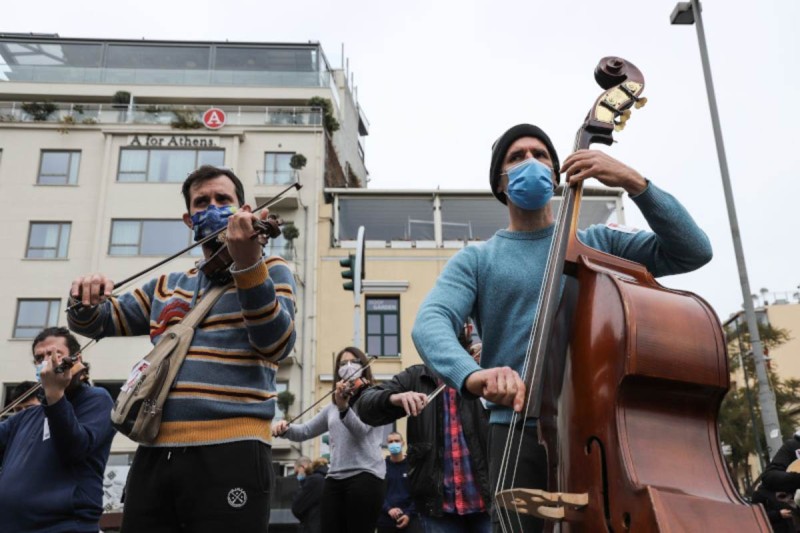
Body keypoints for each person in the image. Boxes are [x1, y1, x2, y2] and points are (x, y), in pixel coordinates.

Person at [411, 123, 714, 532]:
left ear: (557, 175)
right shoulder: (477, 260)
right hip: (516, 434)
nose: (531, 163)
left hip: (605, 437)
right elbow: (430, 322)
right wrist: (474, 376)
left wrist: (635, 182)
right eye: (516, 158)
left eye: (541, 155)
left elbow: (692, 250)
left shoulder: (598, 243)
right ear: (500, 182)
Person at [67, 165, 297, 533]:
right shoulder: (168, 285)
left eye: (224, 199)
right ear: (190, 220)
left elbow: (277, 344)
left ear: (244, 209)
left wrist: (249, 264)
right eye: (202, 202)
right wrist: (84, 295)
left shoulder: (271, 268)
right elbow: (96, 322)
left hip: (232, 446)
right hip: (155, 449)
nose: (213, 207)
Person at [357, 323, 491, 533]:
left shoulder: (482, 369)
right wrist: (394, 397)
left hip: (487, 503)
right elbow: (365, 406)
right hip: (438, 508)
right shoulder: (415, 377)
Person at [0, 327, 115, 532]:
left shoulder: (96, 399)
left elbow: (74, 448)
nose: (46, 361)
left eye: (55, 354)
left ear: (76, 358)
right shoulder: (26, 416)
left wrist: (55, 395)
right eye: (39, 357)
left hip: (63, 526)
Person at [272, 347, 386, 533]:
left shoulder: (372, 399)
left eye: (354, 361)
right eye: (342, 363)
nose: (348, 366)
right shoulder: (332, 406)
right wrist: (285, 429)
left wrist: (344, 409)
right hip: (335, 477)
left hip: (365, 475)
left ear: (364, 366)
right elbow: (305, 430)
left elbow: (361, 432)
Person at [377, 432, 419, 533]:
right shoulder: (381, 466)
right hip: (385, 520)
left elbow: (418, 493)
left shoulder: (412, 466)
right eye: (390, 442)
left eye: (397, 441)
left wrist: (408, 514)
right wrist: (388, 509)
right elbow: (377, 492)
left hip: (409, 519)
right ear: (387, 445)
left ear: (403, 443)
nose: (394, 444)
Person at [291, 456, 328, 533]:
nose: (297, 476)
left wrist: (302, 483)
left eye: (297, 472)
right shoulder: (326, 477)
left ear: (303, 467)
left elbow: (297, 507)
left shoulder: (314, 480)